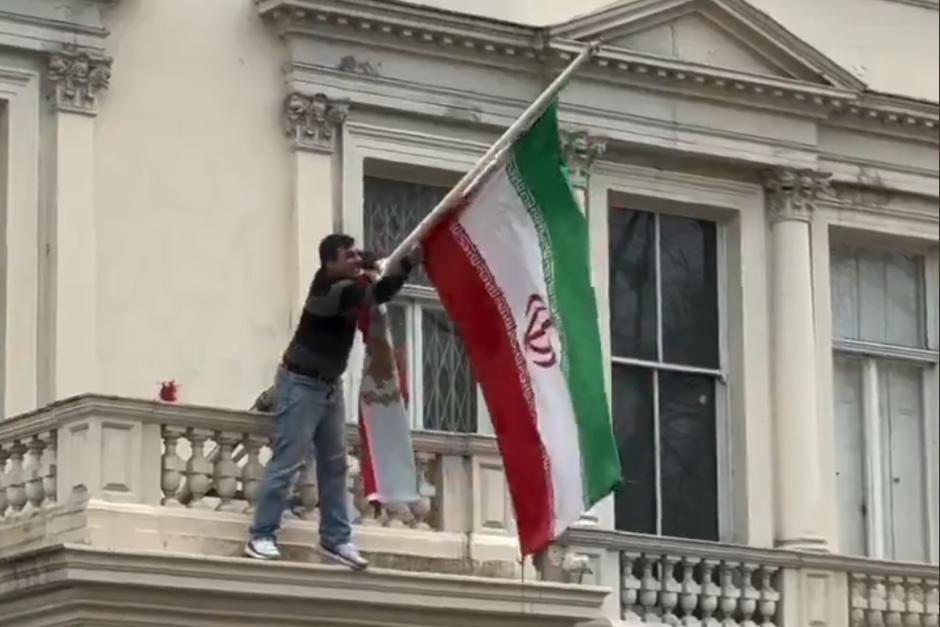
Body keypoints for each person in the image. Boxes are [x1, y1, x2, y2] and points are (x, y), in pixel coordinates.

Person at [244, 233, 416, 569]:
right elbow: (375, 293)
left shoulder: (346, 276)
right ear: (329, 263)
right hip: (300, 384)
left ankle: (336, 539)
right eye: (347, 256)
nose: (355, 259)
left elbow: (372, 257)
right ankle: (261, 534)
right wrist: (406, 266)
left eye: (355, 254)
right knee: (287, 460)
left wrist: (392, 256)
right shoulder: (332, 290)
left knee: (335, 465)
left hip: (328, 387)